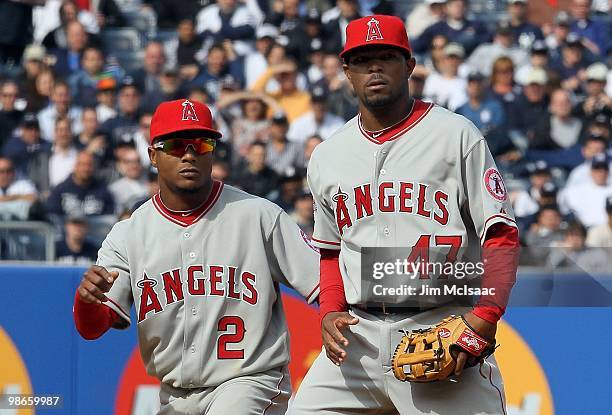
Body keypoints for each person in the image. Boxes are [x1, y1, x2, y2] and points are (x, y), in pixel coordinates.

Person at [291, 15, 519, 414]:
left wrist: (484, 316)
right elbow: (329, 252)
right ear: (347, 71)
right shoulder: (328, 154)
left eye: (386, 57)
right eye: (362, 60)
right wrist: (330, 310)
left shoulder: (455, 135)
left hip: (439, 324)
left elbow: (500, 234)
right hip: (356, 340)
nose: (374, 68)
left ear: (409, 65)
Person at [73, 98, 319, 414]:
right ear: (152, 156)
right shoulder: (128, 235)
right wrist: (87, 301)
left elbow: (322, 278)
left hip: (250, 383)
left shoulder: (258, 215)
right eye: (175, 145)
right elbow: (92, 328)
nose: (189, 154)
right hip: (173, 395)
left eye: (201, 144)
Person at [46, 150, 115, 219]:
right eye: (82, 164)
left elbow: (109, 218)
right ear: (75, 166)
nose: (86, 169)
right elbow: (52, 217)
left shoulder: (103, 191)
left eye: (90, 165)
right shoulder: (60, 190)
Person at [559, 153, 612, 228]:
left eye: (604, 169)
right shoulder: (576, 191)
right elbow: (563, 205)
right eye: (597, 169)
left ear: (608, 171)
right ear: (591, 171)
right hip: (586, 229)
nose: (601, 173)